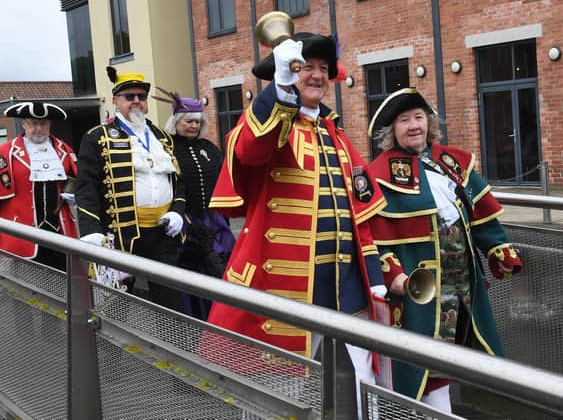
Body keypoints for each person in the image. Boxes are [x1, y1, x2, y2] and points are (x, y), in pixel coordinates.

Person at [206, 32, 388, 414]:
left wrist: (378, 281)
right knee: (274, 393)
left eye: (324, 69)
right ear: (287, 73)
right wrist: (279, 91)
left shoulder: (336, 135)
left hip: (346, 289)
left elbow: (362, 220)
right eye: (306, 67)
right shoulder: (274, 123)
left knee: (363, 389)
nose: (317, 76)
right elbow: (249, 149)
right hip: (282, 292)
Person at [367, 88, 523, 413]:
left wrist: (498, 248)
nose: (414, 126)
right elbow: (373, 236)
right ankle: (421, 412)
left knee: (453, 350)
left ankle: (441, 409)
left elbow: (479, 211)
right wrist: (393, 273)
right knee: (421, 358)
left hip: (462, 283)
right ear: (391, 130)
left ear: (430, 123)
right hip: (419, 288)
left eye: (419, 117)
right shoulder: (379, 175)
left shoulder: (451, 162)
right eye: (405, 120)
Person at [75, 67, 186, 312]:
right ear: (115, 101)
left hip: (162, 233)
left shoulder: (162, 137)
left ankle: (170, 348)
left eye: (141, 96)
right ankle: (111, 350)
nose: (136, 101)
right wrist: (91, 231)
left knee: (170, 304)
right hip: (119, 234)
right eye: (129, 96)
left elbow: (179, 181)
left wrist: (178, 210)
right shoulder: (97, 137)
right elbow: (86, 189)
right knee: (114, 304)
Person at [157, 90, 235, 320]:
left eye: (197, 121)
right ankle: (195, 321)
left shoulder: (210, 148)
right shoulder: (167, 149)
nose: (193, 125)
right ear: (176, 122)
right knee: (192, 269)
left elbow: (223, 180)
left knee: (223, 264)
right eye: (188, 121)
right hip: (184, 220)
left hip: (215, 219)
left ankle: (223, 317)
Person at [0, 101, 78, 270]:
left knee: (63, 279)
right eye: (33, 124)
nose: (38, 129)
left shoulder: (64, 150)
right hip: (22, 231)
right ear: (23, 124)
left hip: (59, 229)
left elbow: (77, 181)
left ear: (49, 125)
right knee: (24, 287)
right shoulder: (6, 152)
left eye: (43, 124)